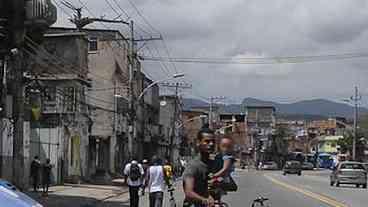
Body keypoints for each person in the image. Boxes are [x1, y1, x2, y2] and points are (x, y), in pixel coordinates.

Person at [182, 128, 216, 207]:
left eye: (213, 142)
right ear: (198, 142)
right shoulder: (193, 166)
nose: (211, 144)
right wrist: (205, 200)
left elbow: (232, 185)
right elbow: (189, 192)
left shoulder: (213, 164)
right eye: (207, 141)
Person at [211, 137, 238, 201]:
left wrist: (214, 176)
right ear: (219, 146)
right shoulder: (219, 156)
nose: (226, 149)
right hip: (221, 178)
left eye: (229, 146)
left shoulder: (227, 157)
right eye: (223, 146)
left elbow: (224, 169)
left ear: (232, 148)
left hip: (223, 178)